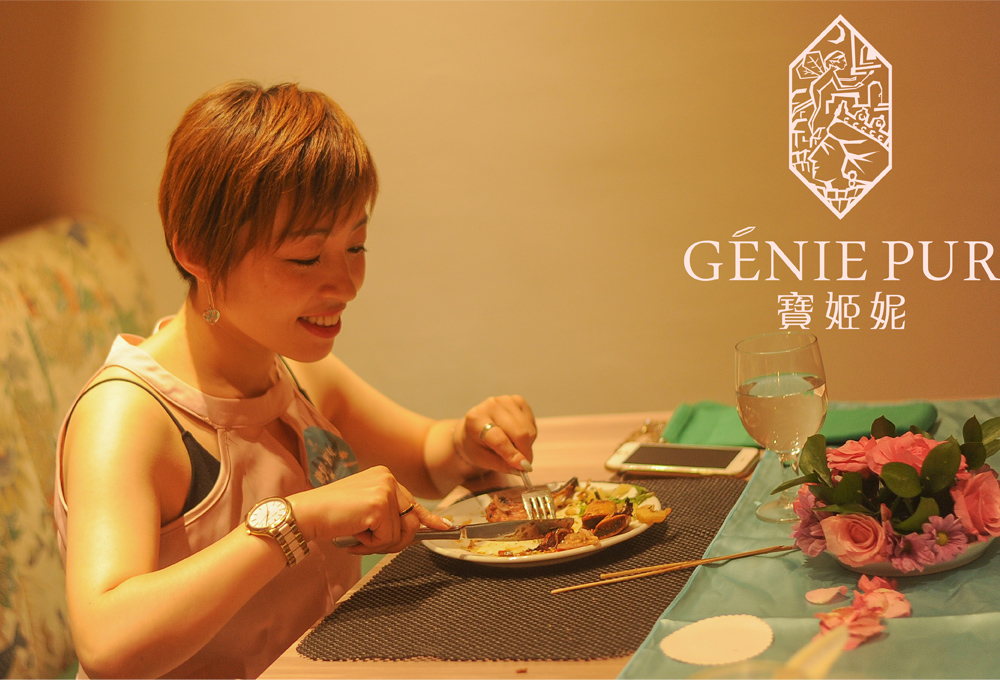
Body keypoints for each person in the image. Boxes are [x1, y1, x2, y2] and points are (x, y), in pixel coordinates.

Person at [53, 81, 538, 679]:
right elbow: (106, 643)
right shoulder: (129, 417)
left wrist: (470, 438)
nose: (346, 285)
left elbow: (426, 458)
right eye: (306, 258)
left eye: (356, 246)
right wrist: (296, 521)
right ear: (196, 253)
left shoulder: (297, 373)